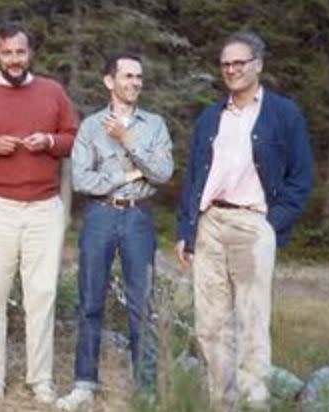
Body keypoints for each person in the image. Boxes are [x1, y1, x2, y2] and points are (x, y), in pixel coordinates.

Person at [175, 30, 313, 411]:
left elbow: (301, 178)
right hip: (209, 225)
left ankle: (254, 404)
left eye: (239, 62)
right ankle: (222, 404)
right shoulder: (210, 116)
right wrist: (186, 230)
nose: (232, 70)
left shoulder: (284, 114)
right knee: (210, 325)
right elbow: (193, 178)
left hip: (254, 226)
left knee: (251, 325)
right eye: (226, 64)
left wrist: (272, 223)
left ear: (258, 65)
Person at [0, 23, 78, 403]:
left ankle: (39, 378)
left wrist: (50, 141)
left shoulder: (53, 92)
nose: (14, 59)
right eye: (7, 53)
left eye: (20, 52)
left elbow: (74, 138)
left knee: (41, 293)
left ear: (30, 54)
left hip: (44, 207)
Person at [56, 53, 173, 411]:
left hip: (138, 219)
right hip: (100, 217)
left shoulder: (153, 125)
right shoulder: (90, 127)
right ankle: (84, 383)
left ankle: (146, 387)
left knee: (142, 305)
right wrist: (126, 176)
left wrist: (128, 140)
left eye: (139, 76)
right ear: (110, 81)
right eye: (127, 76)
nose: (135, 82)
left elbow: (164, 171)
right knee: (90, 301)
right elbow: (82, 179)